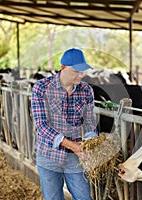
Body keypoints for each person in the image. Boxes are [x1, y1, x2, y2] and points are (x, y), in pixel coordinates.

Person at [31, 48, 98, 200]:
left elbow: (89, 123)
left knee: (84, 197)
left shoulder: (86, 90)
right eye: (76, 71)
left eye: (83, 71)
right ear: (63, 68)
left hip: (75, 157)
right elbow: (41, 126)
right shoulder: (41, 88)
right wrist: (74, 146)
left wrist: (90, 142)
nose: (80, 75)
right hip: (48, 154)